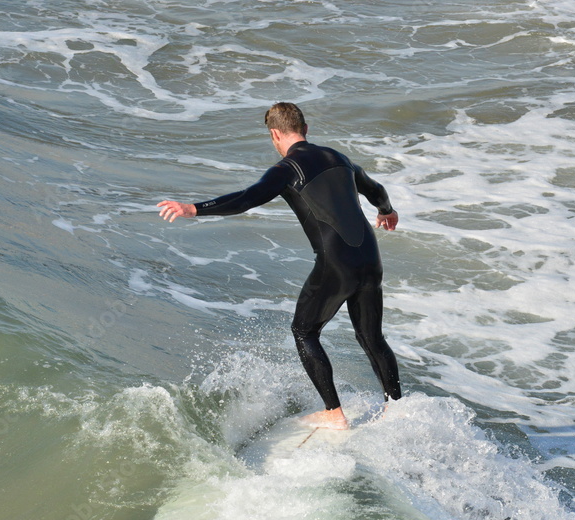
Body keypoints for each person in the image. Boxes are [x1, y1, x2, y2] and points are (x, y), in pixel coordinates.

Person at [158, 102, 401, 430]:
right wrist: (386, 211)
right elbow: (375, 190)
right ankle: (396, 408)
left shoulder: (288, 169)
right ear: (305, 129)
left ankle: (333, 414)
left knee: (304, 331)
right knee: (372, 337)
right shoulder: (339, 159)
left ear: (274, 134)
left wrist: (194, 209)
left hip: (336, 264)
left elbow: (247, 198)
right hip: (371, 260)